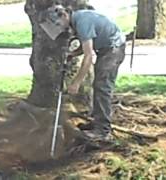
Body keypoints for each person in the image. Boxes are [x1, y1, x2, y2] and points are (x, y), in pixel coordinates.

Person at [52, 6, 126, 141]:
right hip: (106, 49)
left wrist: (76, 82)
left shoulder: (82, 23)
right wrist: (72, 54)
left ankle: (103, 131)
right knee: (99, 86)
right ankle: (98, 122)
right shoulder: (77, 20)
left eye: (58, 24)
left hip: (113, 49)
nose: (59, 28)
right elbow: (86, 45)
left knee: (102, 87)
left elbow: (88, 56)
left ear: (64, 16)